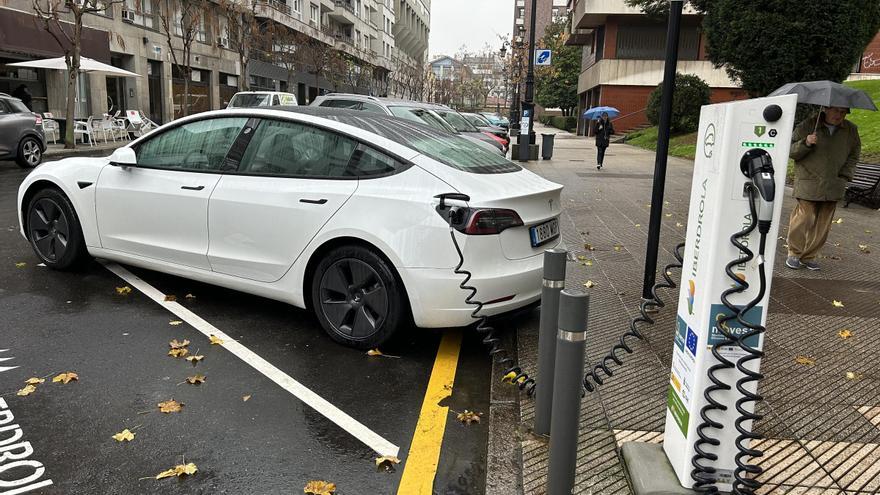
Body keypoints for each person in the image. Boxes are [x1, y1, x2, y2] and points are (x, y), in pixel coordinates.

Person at [786, 107, 861, 270]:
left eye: (843, 112)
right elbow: (791, 151)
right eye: (836, 111)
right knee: (804, 217)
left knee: (823, 223)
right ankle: (794, 253)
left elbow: (854, 154)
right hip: (809, 180)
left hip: (834, 182)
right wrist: (805, 143)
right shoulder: (808, 125)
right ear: (826, 109)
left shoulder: (851, 130)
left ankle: (809, 256)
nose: (839, 115)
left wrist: (845, 175)